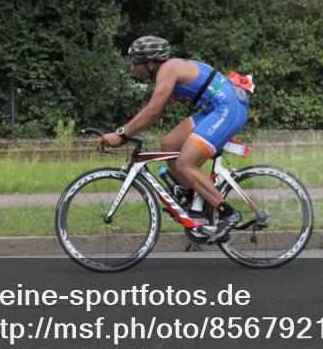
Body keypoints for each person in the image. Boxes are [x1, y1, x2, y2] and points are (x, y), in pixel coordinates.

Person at [100, 36, 249, 243]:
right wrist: (127, 132)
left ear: (150, 63)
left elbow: (152, 111)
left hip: (228, 109)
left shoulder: (168, 70)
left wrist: (122, 133)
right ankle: (194, 202)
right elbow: (156, 112)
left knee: (185, 163)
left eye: (135, 63)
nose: (133, 68)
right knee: (169, 144)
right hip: (216, 108)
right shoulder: (167, 71)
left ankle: (226, 212)